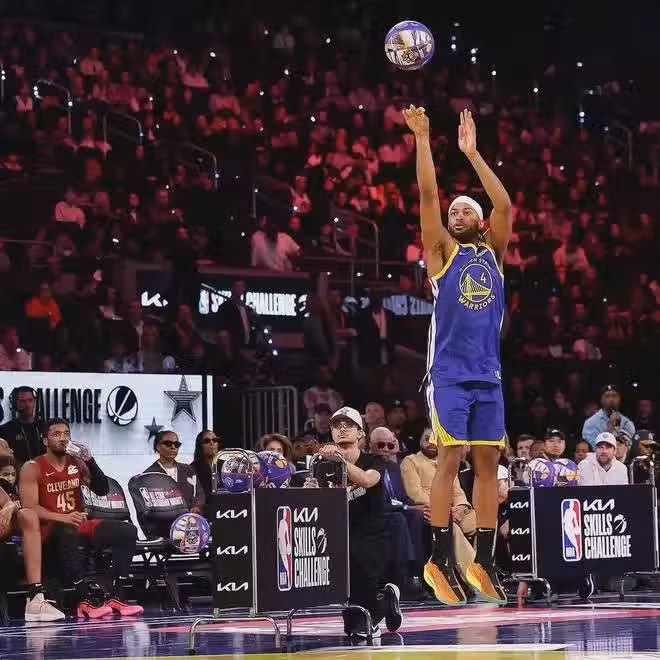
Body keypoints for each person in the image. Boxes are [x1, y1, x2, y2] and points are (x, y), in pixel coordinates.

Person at [404, 106, 512, 605]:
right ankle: (438, 557)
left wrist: (472, 154)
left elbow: (504, 203)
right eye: (453, 214)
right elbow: (428, 195)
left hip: (488, 374)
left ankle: (484, 560)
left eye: (465, 210)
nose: (456, 215)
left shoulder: (494, 254)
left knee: (488, 463)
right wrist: (424, 139)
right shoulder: (442, 254)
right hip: (448, 374)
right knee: (451, 458)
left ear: (480, 222)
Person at [19, 418, 143, 618]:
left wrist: (90, 461)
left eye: (66, 433)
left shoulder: (76, 463)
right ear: (45, 441)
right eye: (56, 434)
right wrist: (63, 517)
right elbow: (29, 508)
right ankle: (84, 600)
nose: (63, 438)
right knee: (67, 530)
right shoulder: (32, 467)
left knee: (127, 531)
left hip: (75, 524)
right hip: (48, 530)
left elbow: (102, 489)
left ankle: (116, 595)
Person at [305, 406, 401, 638]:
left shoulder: (374, 460)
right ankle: (386, 601)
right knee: (350, 628)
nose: (342, 429)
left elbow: (367, 480)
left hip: (371, 533)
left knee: (357, 557)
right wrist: (311, 492)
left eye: (349, 425)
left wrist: (340, 461)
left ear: (360, 433)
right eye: (337, 426)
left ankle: (372, 618)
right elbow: (321, 508)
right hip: (339, 531)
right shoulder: (322, 465)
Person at [145, 431, 205, 513]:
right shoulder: (149, 475)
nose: (173, 447)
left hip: (190, 518)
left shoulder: (188, 470)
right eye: (168, 444)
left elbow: (200, 494)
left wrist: (196, 508)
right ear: (158, 447)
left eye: (176, 444)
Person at [0, 386, 47, 466]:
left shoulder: (46, 427)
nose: (27, 405)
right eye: (22, 401)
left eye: (30, 400)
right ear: (15, 403)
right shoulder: (4, 430)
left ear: (34, 402)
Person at [191, 430, 221, 501]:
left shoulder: (225, 465)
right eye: (207, 441)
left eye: (214, 440)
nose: (212, 443)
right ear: (200, 445)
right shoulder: (192, 469)